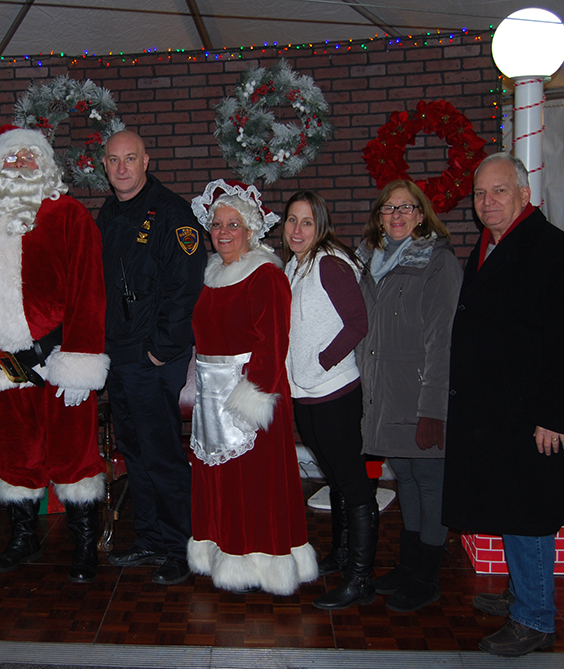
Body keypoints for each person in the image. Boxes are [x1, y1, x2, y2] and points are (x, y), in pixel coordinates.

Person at [443, 153, 564, 657]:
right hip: (496, 412)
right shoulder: (491, 245)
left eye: (499, 191)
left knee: (528, 512)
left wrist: (556, 416)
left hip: (532, 416)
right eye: (480, 194)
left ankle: (534, 618)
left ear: (525, 195)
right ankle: (521, 593)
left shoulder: (557, 252)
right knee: (511, 505)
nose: (487, 202)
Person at [0, 125, 109, 584]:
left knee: (73, 453)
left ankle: (85, 543)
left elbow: (89, 290)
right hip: (10, 367)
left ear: (45, 164)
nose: (22, 164)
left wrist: (76, 358)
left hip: (63, 358)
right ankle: (23, 538)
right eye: (13, 157)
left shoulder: (69, 215)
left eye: (30, 156)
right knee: (16, 453)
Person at [185, 179, 318, 595]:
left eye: (234, 225)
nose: (223, 232)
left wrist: (249, 401)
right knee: (220, 482)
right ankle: (222, 552)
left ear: (251, 230)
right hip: (212, 399)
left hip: (248, 399)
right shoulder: (213, 273)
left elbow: (273, 343)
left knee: (254, 485)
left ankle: (261, 563)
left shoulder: (265, 275)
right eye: (217, 224)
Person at [96, 129, 206, 585]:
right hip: (118, 358)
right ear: (105, 166)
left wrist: (161, 351)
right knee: (134, 454)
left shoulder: (172, 213)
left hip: (152, 359)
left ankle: (181, 548)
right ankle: (149, 538)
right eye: (114, 160)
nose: (122, 168)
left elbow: (187, 287)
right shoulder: (108, 213)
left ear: (146, 161)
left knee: (162, 456)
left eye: (130, 159)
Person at [353, 180, 461, 612]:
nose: (396, 216)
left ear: (421, 214)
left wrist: (434, 408)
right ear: (379, 216)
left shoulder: (438, 263)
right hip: (383, 399)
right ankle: (408, 565)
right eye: (388, 209)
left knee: (430, 485)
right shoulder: (368, 263)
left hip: (420, 397)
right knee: (407, 482)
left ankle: (426, 576)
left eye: (406, 208)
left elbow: (443, 341)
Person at [281, 191, 372, 609]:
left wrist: (321, 362)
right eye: (291, 221)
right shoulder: (293, 267)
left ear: (320, 226)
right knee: (334, 476)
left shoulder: (330, 264)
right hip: (306, 394)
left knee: (353, 484)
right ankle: (339, 554)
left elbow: (358, 323)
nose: (297, 230)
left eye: (306, 222)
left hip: (334, 391)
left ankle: (360, 578)